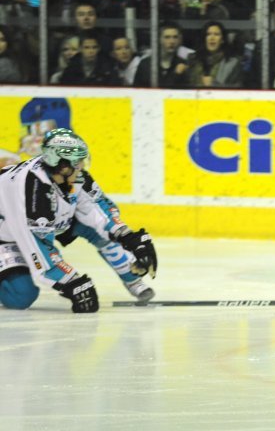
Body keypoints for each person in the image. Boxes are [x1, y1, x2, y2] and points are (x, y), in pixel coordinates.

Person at [0, 128, 158, 312]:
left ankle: (132, 279)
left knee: (99, 231)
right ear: (62, 166)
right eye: (78, 162)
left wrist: (127, 236)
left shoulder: (66, 174)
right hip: (6, 233)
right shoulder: (32, 194)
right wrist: (72, 282)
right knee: (22, 296)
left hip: (37, 224)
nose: (82, 166)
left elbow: (98, 207)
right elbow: (40, 250)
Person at [133, 21, 192, 88]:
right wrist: (176, 75)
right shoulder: (145, 65)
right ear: (159, 39)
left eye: (175, 37)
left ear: (179, 40)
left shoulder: (184, 65)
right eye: (167, 37)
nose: (172, 41)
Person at [186, 21, 243, 88]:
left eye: (216, 34)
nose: (212, 38)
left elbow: (237, 90)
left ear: (222, 40)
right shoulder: (192, 59)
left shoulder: (233, 62)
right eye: (208, 34)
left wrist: (214, 84)